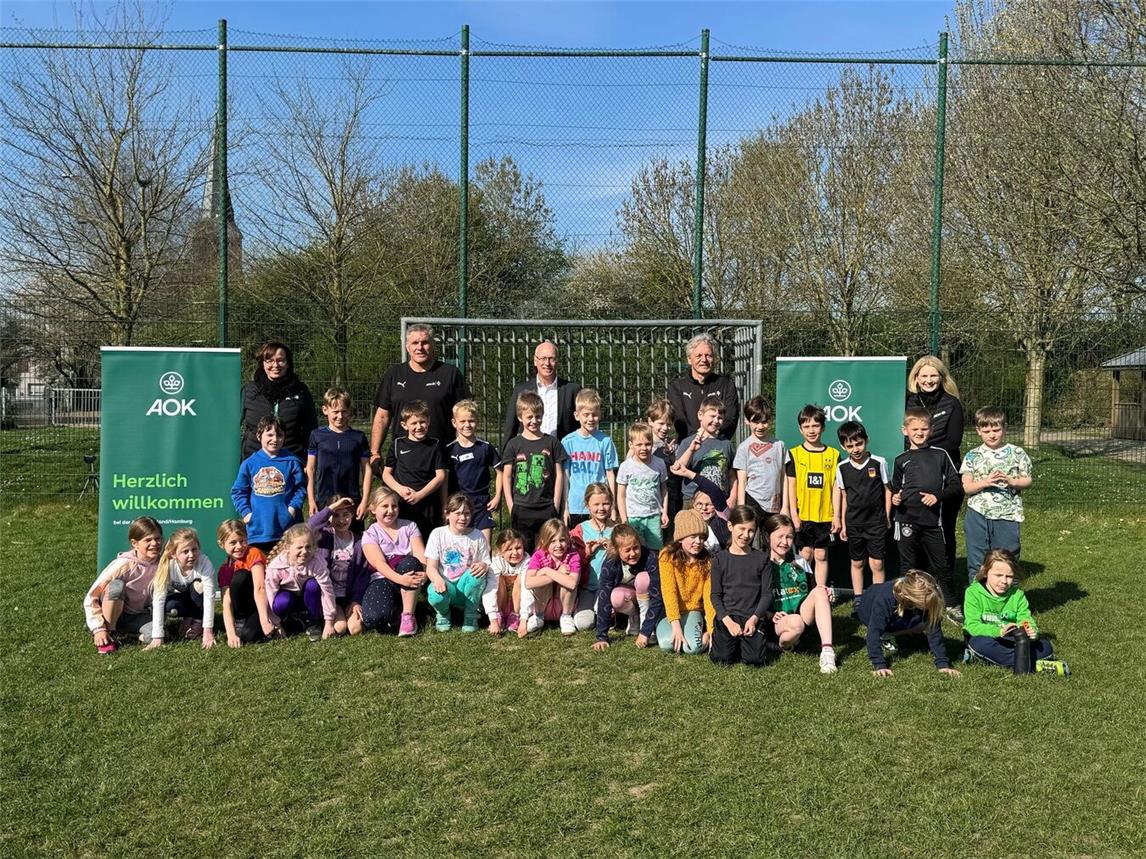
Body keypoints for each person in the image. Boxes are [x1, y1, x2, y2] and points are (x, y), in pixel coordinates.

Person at [891, 408, 962, 621]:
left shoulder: (940, 455)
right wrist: (895, 499)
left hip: (933, 521)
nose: (919, 433)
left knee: (941, 564)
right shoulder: (901, 459)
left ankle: (951, 604)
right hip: (905, 520)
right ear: (905, 430)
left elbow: (956, 485)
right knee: (908, 565)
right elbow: (896, 489)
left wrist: (937, 496)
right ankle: (905, 603)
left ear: (931, 430)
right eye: (914, 429)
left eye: (923, 429)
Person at [369, 323, 469, 465]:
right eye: (415, 343)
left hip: (442, 458)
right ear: (407, 347)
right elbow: (382, 416)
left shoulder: (450, 374)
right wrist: (375, 452)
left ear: (433, 345)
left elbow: (464, 415)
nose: (420, 347)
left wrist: (465, 450)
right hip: (404, 460)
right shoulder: (394, 374)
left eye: (425, 342)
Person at [906, 355, 965, 580]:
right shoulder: (907, 402)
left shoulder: (953, 404)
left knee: (944, 531)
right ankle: (919, 583)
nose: (928, 380)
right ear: (916, 378)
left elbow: (953, 441)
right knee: (915, 531)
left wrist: (923, 449)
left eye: (933, 375)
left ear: (941, 377)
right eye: (924, 376)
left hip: (945, 476)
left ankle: (945, 583)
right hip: (914, 474)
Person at [963, 550, 1067, 674]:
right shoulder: (973, 592)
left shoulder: (1017, 595)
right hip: (987, 638)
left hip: (1013, 641)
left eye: (1009, 576)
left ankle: (995, 660)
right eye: (998, 575)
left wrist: (1031, 631)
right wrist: (999, 631)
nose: (1004, 581)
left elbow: (1025, 620)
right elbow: (972, 626)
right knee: (979, 644)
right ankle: (1032, 666)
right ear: (985, 572)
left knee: (1045, 647)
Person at [960, 407, 1033, 581]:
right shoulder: (973, 455)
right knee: (977, 557)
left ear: (1004, 428)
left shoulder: (1017, 453)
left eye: (996, 430)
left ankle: (1008, 593)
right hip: (978, 513)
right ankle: (977, 594)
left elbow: (1028, 480)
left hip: (1007, 513)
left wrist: (1011, 481)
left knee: (1007, 556)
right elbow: (966, 487)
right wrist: (985, 482)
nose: (992, 435)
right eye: (986, 431)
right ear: (978, 431)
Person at [762, 513, 837, 673]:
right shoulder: (761, 564)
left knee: (820, 590)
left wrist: (825, 594)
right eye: (780, 536)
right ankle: (780, 645)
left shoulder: (799, 562)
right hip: (776, 622)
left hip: (802, 616)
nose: (785, 542)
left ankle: (827, 651)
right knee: (796, 623)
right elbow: (752, 599)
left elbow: (812, 590)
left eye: (789, 537)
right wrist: (768, 614)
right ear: (768, 537)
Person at [854, 570, 961, 678]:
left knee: (921, 626)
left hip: (904, 610)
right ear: (908, 597)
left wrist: (942, 664)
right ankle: (888, 636)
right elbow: (874, 632)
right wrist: (879, 665)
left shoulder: (926, 597)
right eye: (924, 605)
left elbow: (934, 630)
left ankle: (904, 632)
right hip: (868, 612)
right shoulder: (885, 599)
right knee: (884, 628)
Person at [83, 516, 163, 653]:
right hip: (113, 611)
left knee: (157, 635)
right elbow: (91, 596)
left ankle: (127, 633)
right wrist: (98, 629)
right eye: (148, 540)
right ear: (135, 543)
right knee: (116, 586)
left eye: (157, 538)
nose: (154, 543)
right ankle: (108, 631)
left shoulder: (163, 563)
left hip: (137, 615)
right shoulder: (123, 564)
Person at [500, 391, 567, 552]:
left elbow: (559, 475)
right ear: (520, 417)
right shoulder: (513, 445)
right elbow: (507, 476)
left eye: (538, 416)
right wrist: (511, 505)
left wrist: (556, 504)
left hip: (546, 507)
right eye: (529, 417)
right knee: (523, 552)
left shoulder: (552, 443)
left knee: (547, 551)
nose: (534, 421)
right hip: (521, 507)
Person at [831, 420, 891, 597]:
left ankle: (878, 599)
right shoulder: (841, 468)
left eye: (859, 444)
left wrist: (887, 516)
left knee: (877, 563)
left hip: (876, 522)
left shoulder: (879, 462)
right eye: (850, 446)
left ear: (867, 440)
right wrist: (843, 523)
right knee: (857, 563)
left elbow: (888, 490)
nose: (855, 449)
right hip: (854, 523)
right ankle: (858, 599)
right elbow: (844, 496)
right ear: (843, 446)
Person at [359, 486, 427, 637]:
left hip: (407, 573)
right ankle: (396, 610)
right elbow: (379, 563)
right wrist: (401, 579)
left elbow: (421, 555)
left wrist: (425, 573)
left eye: (394, 506)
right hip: (383, 578)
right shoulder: (370, 534)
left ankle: (408, 615)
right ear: (373, 509)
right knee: (373, 619)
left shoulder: (409, 526)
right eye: (385, 506)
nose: (390, 510)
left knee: (411, 562)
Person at [784, 404, 839, 587]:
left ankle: (820, 591)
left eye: (815, 425)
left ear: (823, 427)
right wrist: (794, 514)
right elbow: (791, 486)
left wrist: (837, 516)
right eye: (806, 426)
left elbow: (836, 488)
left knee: (821, 555)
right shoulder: (794, 454)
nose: (811, 430)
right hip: (803, 515)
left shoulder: (834, 454)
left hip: (825, 516)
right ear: (800, 429)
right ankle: (802, 591)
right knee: (805, 554)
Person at [709, 506, 772, 668]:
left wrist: (754, 619)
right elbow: (715, 595)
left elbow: (766, 595)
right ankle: (730, 642)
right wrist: (728, 621)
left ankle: (750, 642)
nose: (746, 535)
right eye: (742, 529)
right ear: (730, 526)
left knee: (755, 660)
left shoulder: (762, 559)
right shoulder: (719, 559)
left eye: (751, 531)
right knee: (721, 659)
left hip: (752, 617)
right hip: (728, 617)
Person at [231, 416, 305, 551]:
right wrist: (247, 514)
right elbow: (238, 491)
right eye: (270, 435)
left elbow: (300, 488)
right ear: (259, 436)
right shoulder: (249, 463)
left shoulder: (292, 461)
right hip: (258, 531)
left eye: (279, 435)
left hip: (287, 531)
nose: (275, 439)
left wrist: (292, 509)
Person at [424, 493, 491, 633]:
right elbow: (431, 567)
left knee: (477, 575)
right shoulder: (438, 534)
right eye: (458, 513)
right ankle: (443, 614)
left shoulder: (478, 535)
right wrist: (437, 579)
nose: (463, 518)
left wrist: (483, 565)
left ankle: (471, 614)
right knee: (435, 594)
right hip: (447, 586)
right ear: (447, 514)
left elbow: (486, 561)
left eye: (467, 513)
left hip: (468, 585)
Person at [240, 341, 317, 462]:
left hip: (291, 461)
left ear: (288, 364)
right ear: (262, 363)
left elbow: (311, 428)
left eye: (281, 360)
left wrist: (309, 462)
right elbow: (231, 426)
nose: (275, 365)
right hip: (254, 461)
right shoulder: (249, 391)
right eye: (269, 360)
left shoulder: (301, 390)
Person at [383, 400, 448, 540]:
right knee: (403, 542)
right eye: (414, 423)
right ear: (404, 425)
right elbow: (386, 474)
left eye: (422, 422)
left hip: (428, 505)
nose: (419, 427)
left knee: (426, 542)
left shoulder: (435, 445)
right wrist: (400, 489)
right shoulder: (397, 444)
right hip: (402, 504)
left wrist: (420, 495)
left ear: (428, 421)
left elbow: (441, 476)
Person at [592, 524, 663, 650]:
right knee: (616, 597)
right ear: (617, 550)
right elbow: (604, 596)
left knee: (643, 579)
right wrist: (601, 637)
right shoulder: (610, 563)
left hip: (646, 596)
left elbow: (657, 597)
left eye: (636, 548)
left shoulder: (650, 557)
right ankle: (634, 617)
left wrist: (646, 632)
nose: (633, 553)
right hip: (629, 596)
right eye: (627, 550)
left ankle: (648, 626)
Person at [501, 340, 582, 448]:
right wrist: (505, 456)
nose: (547, 363)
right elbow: (511, 426)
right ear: (535, 361)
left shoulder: (572, 390)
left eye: (551, 358)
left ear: (557, 361)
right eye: (543, 358)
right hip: (529, 452)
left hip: (563, 453)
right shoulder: (521, 390)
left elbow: (582, 425)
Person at [306, 387, 371, 520]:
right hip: (324, 498)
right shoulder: (316, 435)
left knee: (351, 532)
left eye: (344, 411)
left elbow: (367, 470)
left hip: (351, 498)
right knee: (322, 532)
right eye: (335, 412)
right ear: (325, 410)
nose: (340, 416)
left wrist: (365, 501)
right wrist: (311, 500)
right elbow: (310, 469)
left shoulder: (358, 437)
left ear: (349, 411)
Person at [145, 528, 217, 649]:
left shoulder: (204, 562)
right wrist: (157, 637)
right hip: (181, 601)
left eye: (194, 549)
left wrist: (208, 631)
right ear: (174, 554)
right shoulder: (167, 566)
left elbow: (209, 597)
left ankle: (197, 620)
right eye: (185, 551)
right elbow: (158, 600)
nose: (191, 555)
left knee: (199, 586)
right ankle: (188, 618)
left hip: (198, 601)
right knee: (169, 606)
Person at [656, 509, 716, 654]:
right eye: (693, 537)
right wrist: (676, 626)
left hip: (694, 610)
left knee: (692, 648)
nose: (698, 541)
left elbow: (709, 598)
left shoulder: (707, 562)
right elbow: (669, 591)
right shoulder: (667, 557)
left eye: (701, 537)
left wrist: (711, 630)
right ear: (681, 538)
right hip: (672, 612)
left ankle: (701, 633)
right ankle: (676, 627)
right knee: (666, 644)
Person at [264, 524, 337, 641]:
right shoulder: (276, 566)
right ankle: (287, 620)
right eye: (299, 548)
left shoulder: (317, 562)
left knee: (313, 585)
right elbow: (270, 595)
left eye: (308, 547)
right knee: (282, 602)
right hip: (288, 597)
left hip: (309, 598)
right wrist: (276, 624)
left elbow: (327, 590)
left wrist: (329, 622)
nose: (304, 552)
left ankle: (313, 622)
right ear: (287, 547)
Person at [307, 496, 366, 636]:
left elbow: (362, 574)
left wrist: (356, 600)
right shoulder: (324, 536)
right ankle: (325, 614)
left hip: (349, 596)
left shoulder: (359, 542)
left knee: (355, 629)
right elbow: (309, 526)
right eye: (336, 515)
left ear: (352, 515)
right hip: (330, 596)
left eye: (346, 515)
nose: (341, 520)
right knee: (340, 628)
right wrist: (331, 508)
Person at [666, 332, 741, 441]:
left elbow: (730, 418)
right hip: (688, 446)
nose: (704, 360)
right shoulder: (677, 387)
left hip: (718, 444)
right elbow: (679, 420)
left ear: (714, 358)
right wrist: (697, 439)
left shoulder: (726, 384)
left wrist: (712, 437)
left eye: (708, 355)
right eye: (699, 356)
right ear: (689, 359)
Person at [561, 389, 618, 528]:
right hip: (576, 505)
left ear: (600, 415)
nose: (591, 419)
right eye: (586, 415)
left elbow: (610, 474)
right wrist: (565, 507)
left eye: (594, 415)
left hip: (600, 505)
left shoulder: (605, 441)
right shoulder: (568, 442)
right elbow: (565, 477)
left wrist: (613, 506)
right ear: (577, 415)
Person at [447, 400, 502, 545]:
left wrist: (497, 496)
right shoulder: (449, 450)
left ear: (477, 422)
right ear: (454, 423)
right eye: (462, 421)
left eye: (471, 421)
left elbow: (500, 472)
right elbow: (443, 479)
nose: (467, 425)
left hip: (482, 504)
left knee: (485, 547)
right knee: (462, 546)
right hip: (459, 504)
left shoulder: (485, 447)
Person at [216, 519, 274, 647]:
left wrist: (265, 620)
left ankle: (287, 621)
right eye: (233, 543)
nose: (239, 546)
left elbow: (260, 588)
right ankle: (240, 620)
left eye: (242, 541)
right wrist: (231, 634)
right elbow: (226, 602)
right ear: (221, 544)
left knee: (241, 575)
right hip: (246, 607)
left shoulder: (253, 553)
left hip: (263, 603)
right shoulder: (224, 568)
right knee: (247, 637)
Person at [522, 518, 582, 636]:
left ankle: (566, 617)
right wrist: (553, 572)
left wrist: (546, 572)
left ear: (568, 540)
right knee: (541, 581)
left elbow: (572, 583)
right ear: (544, 541)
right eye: (553, 541)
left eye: (562, 540)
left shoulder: (573, 555)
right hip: (543, 604)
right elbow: (528, 583)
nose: (558, 545)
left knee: (566, 580)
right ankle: (538, 617)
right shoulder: (539, 555)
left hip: (564, 603)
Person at [569, 483, 616, 631]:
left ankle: (607, 612)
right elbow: (571, 562)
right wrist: (586, 553)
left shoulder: (617, 529)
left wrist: (615, 549)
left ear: (611, 503)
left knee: (606, 615)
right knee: (584, 624)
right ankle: (587, 608)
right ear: (588, 505)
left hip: (610, 587)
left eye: (605, 503)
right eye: (596, 504)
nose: (601, 508)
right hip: (587, 588)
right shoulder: (579, 530)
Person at [674, 395, 736, 505]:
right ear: (700, 415)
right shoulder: (688, 442)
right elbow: (678, 468)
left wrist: (732, 498)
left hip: (720, 499)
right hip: (693, 500)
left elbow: (732, 475)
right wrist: (691, 450)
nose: (716, 421)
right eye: (712, 416)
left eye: (720, 418)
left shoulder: (726, 444)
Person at [616, 422, 668, 551]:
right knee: (634, 549)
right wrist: (624, 519)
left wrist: (664, 512)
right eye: (639, 445)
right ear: (631, 445)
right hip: (633, 517)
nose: (644, 448)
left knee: (655, 551)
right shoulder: (626, 466)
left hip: (653, 516)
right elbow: (621, 495)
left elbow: (664, 490)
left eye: (647, 444)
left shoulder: (659, 464)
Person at [734, 396, 787, 519]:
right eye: (756, 422)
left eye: (764, 422)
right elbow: (742, 481)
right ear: (747, 421)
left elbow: (784, 478)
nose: (760, 426)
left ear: (770, 420)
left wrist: (785, 506)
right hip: (752, 501)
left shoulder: (779, 445)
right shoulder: (743, 447)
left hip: (774, 505)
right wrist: (741, 508)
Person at [647, 398, 683, 533]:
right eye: (661, 423)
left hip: (670, 496)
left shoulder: (672, 444)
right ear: (650, 421)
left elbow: (677, 467)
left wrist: (672, 455)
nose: (665, 428)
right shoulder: (645, 443)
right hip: (650, 498)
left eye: (668, 424)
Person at [484, 529, 528, 636]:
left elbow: (527, 591)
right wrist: (493, 619)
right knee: (497, 579)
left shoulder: (527, 561)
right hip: (501, 601)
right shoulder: (496, 562)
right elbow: (490, 589)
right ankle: (499, 615)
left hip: (519, 604)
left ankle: (515, 615)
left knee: (521, 579)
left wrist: (524, 619)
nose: (515, 553)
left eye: (518, 548)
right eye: (509, 549)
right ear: (500, 552)